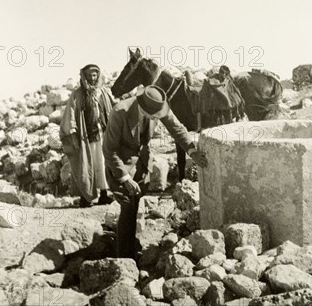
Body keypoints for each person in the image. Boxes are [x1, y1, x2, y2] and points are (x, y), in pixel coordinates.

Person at [103, 85, 208, 258]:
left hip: (141, 160)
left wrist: (192, 151)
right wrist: (125, 177)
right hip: (120, 162)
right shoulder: (120, 111)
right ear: (143, 108)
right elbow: (109, 150)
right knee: (127, 205)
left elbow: (176, 128)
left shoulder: (157, 106)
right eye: (154, 116)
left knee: (136, 203)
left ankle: (130, 245)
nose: (158, 119)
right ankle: (123, 256)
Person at [60, 64, 115, 207]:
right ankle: (86, 198)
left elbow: (111, 109)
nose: (92, 78)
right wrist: (73, 133)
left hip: (102, 135)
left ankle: (104, 194)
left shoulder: (103, 92)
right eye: (89, 75)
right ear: (84, 77)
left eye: (95, 75)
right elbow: (71, 114)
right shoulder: (77, 94)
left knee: (102, 164)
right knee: (86, 166)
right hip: (85, 137)